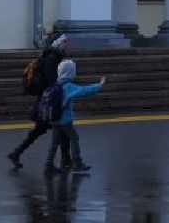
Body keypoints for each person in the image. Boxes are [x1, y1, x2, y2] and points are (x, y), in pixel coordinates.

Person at [8, 34, 70, 167]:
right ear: (58, 43)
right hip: (48, 103)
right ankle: (62, 162)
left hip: (45, 101)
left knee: (40, 131)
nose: (67, 44)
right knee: (62, 132)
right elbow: (52, 81)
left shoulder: (51, 57)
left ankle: (16, 153)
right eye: (65, 41)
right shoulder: (51, 58)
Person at [46, 58, 105, 174]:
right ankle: (77, 163)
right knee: (74, 138)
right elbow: (84, 90)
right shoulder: (68, 86)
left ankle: (48, 165)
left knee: (54, 141)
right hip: (65, 120)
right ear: (70, 72)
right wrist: (99, 85)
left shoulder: (54, 85)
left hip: (54, 119)